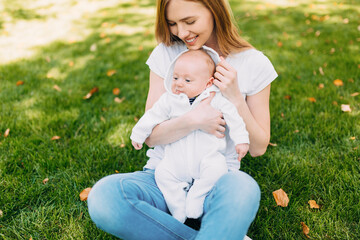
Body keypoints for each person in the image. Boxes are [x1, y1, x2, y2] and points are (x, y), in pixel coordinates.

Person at [88, 0, 278, 239]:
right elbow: (151, 135)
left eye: (189, 21)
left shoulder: (254, 63)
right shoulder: (166, 54)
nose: (181, 32)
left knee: (243, 189)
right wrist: (193, 120)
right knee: (105, 196)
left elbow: (259, 147)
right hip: (163, 178)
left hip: (216, 179)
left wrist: (235, 98)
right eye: (172, 24)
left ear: (215, 10)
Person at [130, 47, 250, 223]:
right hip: (175, 160)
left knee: (218, 170)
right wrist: (138, 133)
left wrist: (241, 140)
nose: (179, 83)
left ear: (208, 83)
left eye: (187, 80)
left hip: (207, 158)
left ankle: (197, 196)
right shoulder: (169, 100)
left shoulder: (217, 100)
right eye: (176, 77)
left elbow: (234, 118)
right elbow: (152, 116)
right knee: (163, 174)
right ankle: (178, 207)